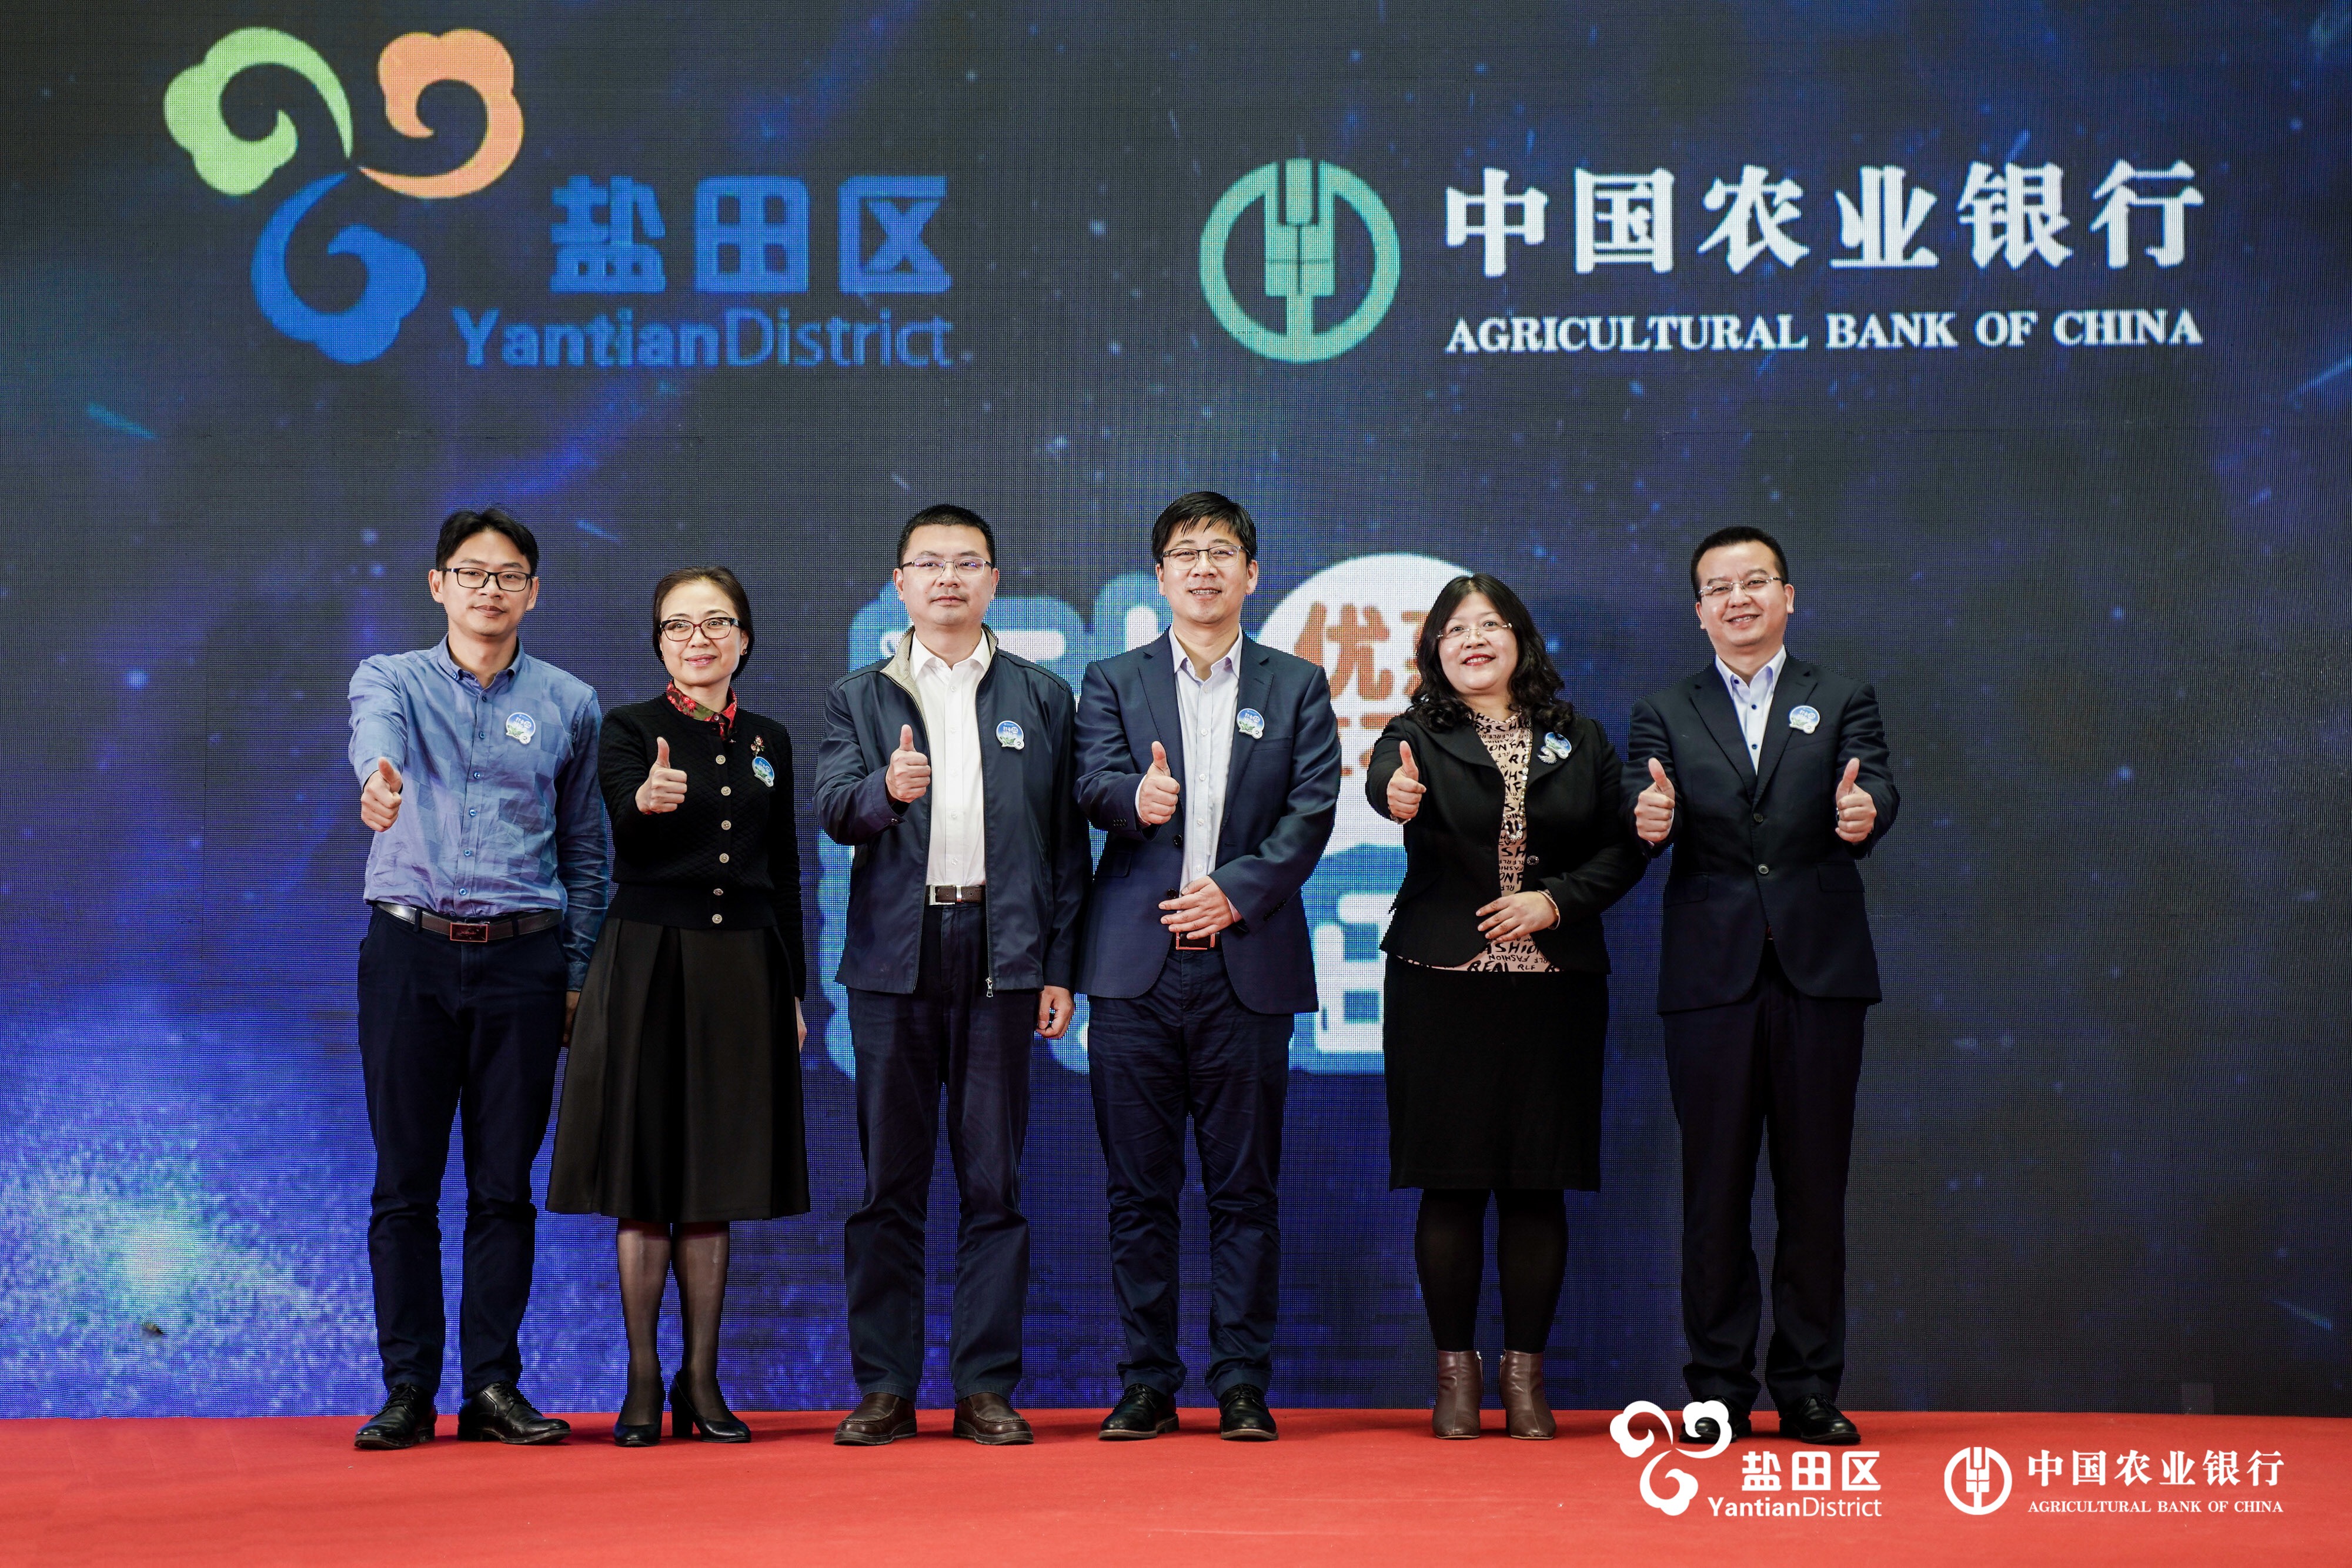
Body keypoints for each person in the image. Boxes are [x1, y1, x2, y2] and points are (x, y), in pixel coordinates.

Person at [812, 504, 1089, 1446]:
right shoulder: (861, 695)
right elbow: (834, 811)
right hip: (895, 958)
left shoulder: (1042, 696)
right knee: (888, 1184)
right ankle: (886, 1387)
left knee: (993, 1183)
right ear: (900, 584)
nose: (948, 579)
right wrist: (883, 794)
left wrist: (1059, 967)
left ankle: (985, 1387)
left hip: (1004, 954)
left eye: (967, 563)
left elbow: (1067, 849)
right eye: (929, 564)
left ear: (994, 582)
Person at [1073, 490, 1341, 1442]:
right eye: (1185, 552)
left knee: (1245, 1193)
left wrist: (1235, 892)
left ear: (1251, 573)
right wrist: (1131, 798)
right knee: (1138, 1194)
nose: (1203, 567)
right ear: (1160, 577)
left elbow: (1311, 813)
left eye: (1220, 551)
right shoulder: (1112, 679)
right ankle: (1147, 1382)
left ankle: (1241, 1384)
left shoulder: (1296, 683)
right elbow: (1089, 783)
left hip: (1246, 966)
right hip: (1135, 974)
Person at [1624, 525, 1897, 1447]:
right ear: (1698, 611)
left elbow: (1876, 788)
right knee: (1715, 1191)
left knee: (1814, 1189)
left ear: (1788, 596)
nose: (1737, 599)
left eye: (1754, 582)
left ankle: (1809, 1389)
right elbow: (1637, 805)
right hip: (1712, 978)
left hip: (1819, 973)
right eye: (1718, 588)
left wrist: (1864, 811)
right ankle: (1716, 1391)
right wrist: (1645, 818)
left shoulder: (1841, 695)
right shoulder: (1666, 710)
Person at [346, 506, 609, 1450]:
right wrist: (378, 778)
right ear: (438, 585)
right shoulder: (391, 680)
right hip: (409, 953)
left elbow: (586, 853)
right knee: (404, 1185)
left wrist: (574, 976)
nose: (488, 589)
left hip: (524, 960)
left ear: (533, 592)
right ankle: (408, 1390)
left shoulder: (571, 703)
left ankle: (493, 1387)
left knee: (504, 1186)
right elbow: (374, 737)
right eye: (471, 572)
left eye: (507, 576)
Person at [1364, 574, 1645, 1440]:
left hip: (1555, 985)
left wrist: (1554, 901)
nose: (1474, 640)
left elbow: (1623, 847)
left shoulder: (1581, 738)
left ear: (1520, 638)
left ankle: (1526, 1379)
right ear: (1435, 651)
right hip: (1441, 981)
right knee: (1449, 1185)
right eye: (1456, 630)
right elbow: (1386, 786)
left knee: (1536, 1185)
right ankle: (1455, 1378)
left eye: (1490, 625)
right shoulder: (1413, 735)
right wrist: (1394, 796)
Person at [548, 567, 809, 1446]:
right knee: (645, 1177)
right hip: (648, 963)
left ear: (744, 638)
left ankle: (701, 1380)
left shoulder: (770, 738)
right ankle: (641, 1380)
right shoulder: (628, 728)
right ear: (659, 642)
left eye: (716, 623)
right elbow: (616, 828)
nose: (698, 639)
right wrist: (645, 804)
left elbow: (783, 873)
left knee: (713, 1180)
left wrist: (794, 989)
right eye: (678, 626)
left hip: (744, 968)